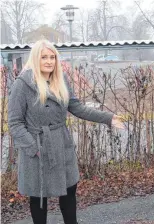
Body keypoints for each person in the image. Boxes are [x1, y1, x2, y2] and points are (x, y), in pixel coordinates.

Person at [8, 39, 124, 224]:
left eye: (52, 57)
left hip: (62, 145)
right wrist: (33, 149)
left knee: (69, 194)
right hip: (37, 148)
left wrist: (108, 118)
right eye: (44, 57)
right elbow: (14, 123)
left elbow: (77, 107)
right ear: (35, 59)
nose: (49, 61)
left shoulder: (60, 80)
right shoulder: (23, 84)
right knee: (39, 200)